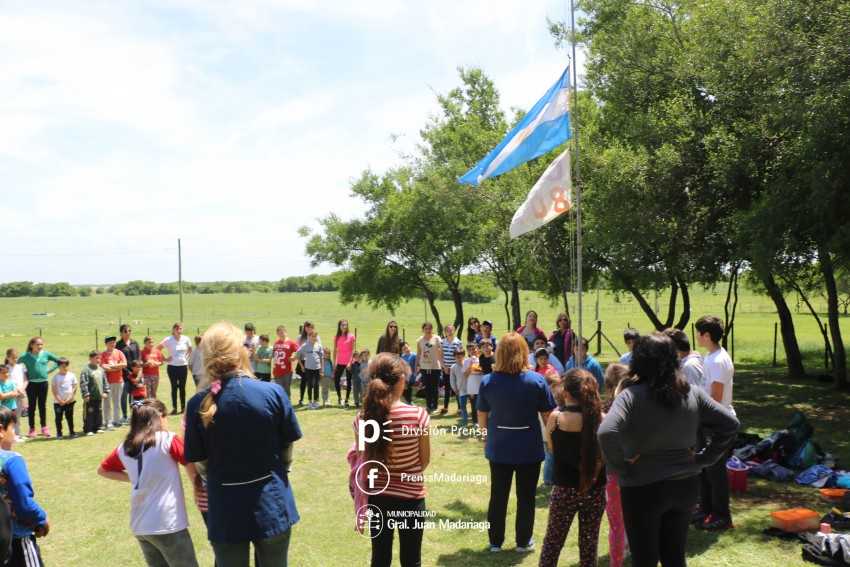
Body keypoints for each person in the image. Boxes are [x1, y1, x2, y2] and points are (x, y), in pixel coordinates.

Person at [597, 333, 739, 567]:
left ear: (639, 360)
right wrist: (705, 459)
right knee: (675, 558)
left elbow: (605, 433)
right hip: (684, 487)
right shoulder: (692, 392)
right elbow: (730, 423)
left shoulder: (630, 395)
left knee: (645, 560)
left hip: (642, 488)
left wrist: (620, 467)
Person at [184, 322, 302, 567]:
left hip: (225, 507)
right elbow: (286, 451)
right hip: (272, 501)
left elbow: (202, 464)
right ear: (242, 352)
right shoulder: (272, 392)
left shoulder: (197, 403)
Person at [477, 332, 557, 552]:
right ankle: (523, 541)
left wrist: (485, 438)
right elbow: (548, 417)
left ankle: (495, 542)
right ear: (524, 353)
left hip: (499, 446)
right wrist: (552, 444)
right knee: (526, 496)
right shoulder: (537, 380)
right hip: (528, 447)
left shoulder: (488, 381)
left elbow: (482, 414)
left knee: (498, 495)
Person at [98, 399, 199, 567]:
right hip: (167, 523)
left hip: (140, 525)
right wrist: (198, 490)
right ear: (160, 417)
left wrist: (134, 477)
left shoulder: (125, 447)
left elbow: (103, 470)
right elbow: (190, 464)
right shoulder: (168, 439)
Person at [354, 353, 430, 567]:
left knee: (379, 559)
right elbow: (423, 462)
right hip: (411, 498)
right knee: (411, 560)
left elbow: (364, 462)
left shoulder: (362, 419)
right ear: (402, 381)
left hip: (378, 499)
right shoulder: (418, 416)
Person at [539, 369, 607, 567]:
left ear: (565, 393)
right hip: (594, 490)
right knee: (589, 544)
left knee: (553, 542)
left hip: (564, 490)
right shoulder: (602, 420)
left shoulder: (556, 419)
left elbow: (551, 447)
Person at [693, 315, 736, 531]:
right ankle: (706, 508)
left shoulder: (718, 360)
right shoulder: (710, 356)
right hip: (705, 422)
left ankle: (723, 516)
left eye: (699, 333)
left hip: (716, 423)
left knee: (716, 471)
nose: (697, 337)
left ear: (707, 335)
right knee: (703, 467)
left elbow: (716, 399)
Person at [0, 406, 50, 567]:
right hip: (17, 540)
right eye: (12, 429)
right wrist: (42, 520)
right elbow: (24, 504)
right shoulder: (11, 460)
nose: (13, 435)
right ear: (1, 430)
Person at [601, 363, 630, 567]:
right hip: (639, 469)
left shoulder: (604, 409)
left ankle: (616, 561)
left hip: (613, 471)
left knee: (616, 524)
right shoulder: (638, 406)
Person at [17, 337, 61, 438]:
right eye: (37, 344)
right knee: (32, 406)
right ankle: (32, 428)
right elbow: (14, 364)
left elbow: (58, 360)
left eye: (41, 344)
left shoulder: (45, 354)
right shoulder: (25, 356)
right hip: (31, 384)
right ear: (32, 345)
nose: (40, 346)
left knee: (42, 405)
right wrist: (22, 373)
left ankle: (44, 427)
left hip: (43, 383)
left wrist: (51, 370)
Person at [158, 323, 193, 415]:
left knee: (182, 387)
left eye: (181, 329)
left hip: (183, 367)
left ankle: (183, 407)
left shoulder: (186, 339)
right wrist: (165, 359)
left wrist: (187, 355)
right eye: (177, 329)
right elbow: (158, 349)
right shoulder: (168, 339)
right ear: (173, 330)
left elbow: (190, 348)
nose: (179, 331)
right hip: (172, 367)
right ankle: (174, 408)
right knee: (174, 387)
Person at [414, 322, 443, 414]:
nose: (428, 330)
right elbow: (418, 353)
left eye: (429, 328)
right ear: (423, 330)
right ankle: (428, 406)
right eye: (426, 328)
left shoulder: (437, 338)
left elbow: (442, 350)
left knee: (435, 387)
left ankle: (435, 406)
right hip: (424, 366)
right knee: (427, 387)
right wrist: (416, 366)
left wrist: (440, 360)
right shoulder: (420, 340)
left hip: (435, 366)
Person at [117, 324, 141, 424]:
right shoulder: (119, 345)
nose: (128, 333)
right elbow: (118, 359)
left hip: (136, 373)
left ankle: (133, 415)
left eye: (129, 331)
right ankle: (124, 416)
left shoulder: (134, 343)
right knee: (124, 395)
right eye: (125, 331)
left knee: (134, 395)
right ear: (121, 333)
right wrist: (128, 373)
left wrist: (137, 370)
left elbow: (139, 357)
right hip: (124, 374)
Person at [80, 350, 109, 436]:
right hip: (90, 397)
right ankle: (88, 429)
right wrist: (86, 394)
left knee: (98, 412)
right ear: (90, 358)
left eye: (100, 358)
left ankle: (98, 427)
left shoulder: (101, 370)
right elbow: (83, 382)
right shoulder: (86, 370)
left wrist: (105, 391)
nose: (98, 360)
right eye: (96, 358)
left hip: (98, 396)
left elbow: (105, 381)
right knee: (89, 412)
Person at [102, 336, 128, 429]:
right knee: (107, 402)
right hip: (108, 382)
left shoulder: (119, 352)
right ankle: (108, 421)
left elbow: (124, 364)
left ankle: (117, 421)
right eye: (110, 343)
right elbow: (105, 367)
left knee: (117, 402)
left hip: (119, 380)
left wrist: (113, 366)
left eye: (113, 342)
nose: (112, 344)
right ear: (106, 344)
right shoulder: (103, 355)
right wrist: (117, 367)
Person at [295, 329, 323, 409]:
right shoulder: (305, 345)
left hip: (317, 368)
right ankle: (310, 402)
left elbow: (322, 358)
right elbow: (297, 355)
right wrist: (302, 366)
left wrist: (322, 369)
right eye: (312, 336)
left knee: (316, 385)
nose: (314, 338)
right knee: (310, 385)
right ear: (309, 337)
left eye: (315, 336)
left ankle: (316, 401)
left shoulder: (319, 346)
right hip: (308, 368)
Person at [50, 357, 77, 439]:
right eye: (63, 366)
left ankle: (72, 432)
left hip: (69, 401)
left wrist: (70, 397)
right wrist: (59, 400)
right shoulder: (56, 377)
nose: (65, 368)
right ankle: (59, 433)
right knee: (58, 418)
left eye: (66, 366)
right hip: (58, 402)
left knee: (69, 417)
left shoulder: (72, 375)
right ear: (59, 367)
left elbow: (74, 387)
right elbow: (54, 389)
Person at [439, 324, 462, 415]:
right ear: (445, 332)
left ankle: (460, 408)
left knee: (457, 388)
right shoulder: (442, 342)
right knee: (447, 388)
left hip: (455, 368)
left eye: (451, 330)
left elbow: (460, 356)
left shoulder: (458, 342)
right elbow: (440, 355)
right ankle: (445, 407)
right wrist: (444, 367)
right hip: (446, 368)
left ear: (454, 331)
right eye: (448, 330)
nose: (450, 332)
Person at [333, 319, 357, 406]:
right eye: (342, 325)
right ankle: (340, 398)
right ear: (339, 326)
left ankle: (347, 399)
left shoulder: (351, 336)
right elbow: (335, 350)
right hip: (339, 361)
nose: (344, 327)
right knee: (336, 379)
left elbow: (353, 350)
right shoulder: (336, 337)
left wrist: (350, 362)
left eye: (345, 325)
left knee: (349, 380)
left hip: (349, 361)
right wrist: (335, 362)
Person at [4, 350, 27, 439]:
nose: (15, 359)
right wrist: (19, 392)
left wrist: (22, 390)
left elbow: (25, 380)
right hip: (12, 394)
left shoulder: (21, 367)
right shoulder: (6, 368)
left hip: (21, 394)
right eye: (12, 358)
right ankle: (11, 434)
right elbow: (10, 381)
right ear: (8, 358)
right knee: (10, 415)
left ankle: (17, 433)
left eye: (16, 357)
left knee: (18, 415)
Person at [272, 326, 299, 399]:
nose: (281, 334)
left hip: (287, 369)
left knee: (287, 388)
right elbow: (273, 354)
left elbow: (300, 351)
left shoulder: (291, 342)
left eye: (283, 332)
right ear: (277, 334)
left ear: (286, 332)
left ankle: (287, 403)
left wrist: (294, 358)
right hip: (277, 369)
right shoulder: (276, 342)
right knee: (278, 388)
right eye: (279, 333)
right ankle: (280, 404)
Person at [295, 321, 315, 406]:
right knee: (303, 380)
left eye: (311, 327)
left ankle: (312, 399)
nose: (309, 328)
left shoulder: (316, 336)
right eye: (307, 327)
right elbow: (298, 350)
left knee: (312, 381)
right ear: (304, 327)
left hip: (312, 361)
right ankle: (301, 398)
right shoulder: (300, 337)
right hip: (303, 361)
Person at [449, 348, 468, 426]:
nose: (460, 359)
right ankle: (465, 419)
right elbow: (452, 379)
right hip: (461, 389)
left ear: (464, 356)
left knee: (475, 405)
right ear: (454, 357)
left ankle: (475, 419)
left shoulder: (467, 364)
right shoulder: (453, 367)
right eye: (457, 357)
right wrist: (454, 388)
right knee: (462, 406)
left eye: (461, 356)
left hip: (470, 388)